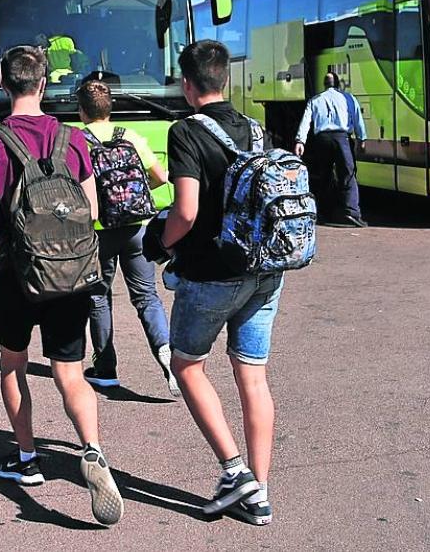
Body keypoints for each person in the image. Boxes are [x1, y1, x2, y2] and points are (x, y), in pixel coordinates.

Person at [0, 45, 124, 526]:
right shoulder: (73, 139)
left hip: (17, 274)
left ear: (2, 81)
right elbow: (94, 213)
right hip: (72, 275)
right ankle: (93, 451)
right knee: (70, 373)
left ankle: (28, 459)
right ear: (44, 83)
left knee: (13, 365)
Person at [159, 39, 279, 525]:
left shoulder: (185, 132)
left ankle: (234, 470)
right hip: (266, 270)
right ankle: (261, 493)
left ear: (188, 85)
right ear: (225, 78)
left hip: (212, 274)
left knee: (187, 366)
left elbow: (185, 211)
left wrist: (162, 242)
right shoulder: (257, 130)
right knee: (252, 375)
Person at [75, 79, 179, 396]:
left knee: (98, 298)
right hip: (138, 227)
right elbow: (162, 177)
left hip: (99, 232)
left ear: (81, 111)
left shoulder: (77, 141)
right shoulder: (130, 136)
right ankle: (166, 352)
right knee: (147, 296)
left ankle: (105, 369)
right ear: (111, 109)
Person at [294, 72, 366, 227]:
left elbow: (306, 121)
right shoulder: (348, 98)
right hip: (342, 139)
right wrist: (362, 138)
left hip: (322, 140)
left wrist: (300, 141)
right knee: (348, 174)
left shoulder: (315, 100)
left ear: (324, 84)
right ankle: (351, 212)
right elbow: (357, 118)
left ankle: (324, 213)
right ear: (338, 84)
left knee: (324, 175)